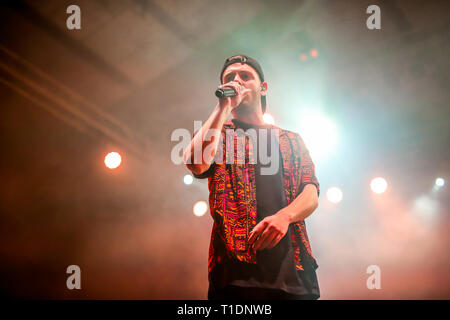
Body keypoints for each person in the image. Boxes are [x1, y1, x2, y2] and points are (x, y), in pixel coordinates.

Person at [184, 54, 321, 300]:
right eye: (229, 78)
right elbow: (195, 163)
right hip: (236, 275)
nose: (236, 81)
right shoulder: (219, 135)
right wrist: (223, 106)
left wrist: (284, 217)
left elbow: (310, 192)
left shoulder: (291, 139)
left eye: (245, 76)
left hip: (295, 272)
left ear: (263, 87)